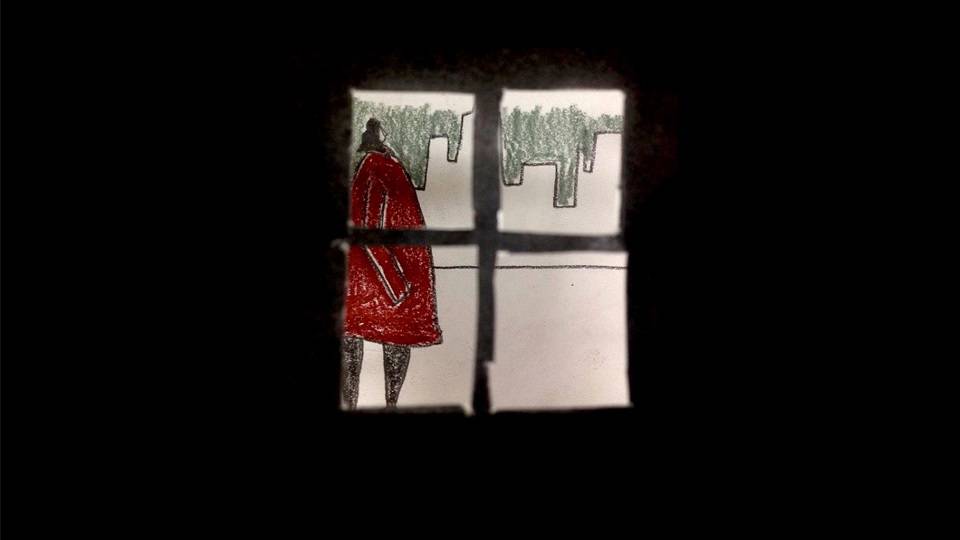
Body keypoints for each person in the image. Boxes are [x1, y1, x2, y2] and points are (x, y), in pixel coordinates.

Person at [341, 118, 442, 409]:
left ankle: (386, 405)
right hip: (383, 280)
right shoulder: (377, 166)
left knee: (385, 339)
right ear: (379, 135)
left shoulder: (387, 165)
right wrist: (395, 283)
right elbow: (368, 228)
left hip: (390, 278)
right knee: (365, 338)